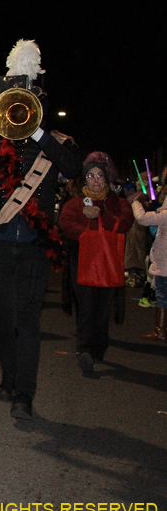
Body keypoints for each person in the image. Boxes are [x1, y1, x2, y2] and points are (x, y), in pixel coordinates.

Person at [0, 40, 81, 420]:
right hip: (0, 240)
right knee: (2, 317)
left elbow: (73, 168)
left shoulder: (54, 143)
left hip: (38, 242)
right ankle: (9, 377)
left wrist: (38, 133)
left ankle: (25, 392)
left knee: (28, 317)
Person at [59, 152, 133, 370]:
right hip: (83, 260)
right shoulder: (75, 202)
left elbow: (125, 223)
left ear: (106, 178)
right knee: (87, 306)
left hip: (108, 261)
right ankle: (84, 349)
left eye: (99, 175)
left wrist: (101, 214)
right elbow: (65, 221)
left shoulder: (117, 202)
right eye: (90, 176)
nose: (96, 180)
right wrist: (86, 234)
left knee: (103, 308)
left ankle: (99, 348)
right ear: (84, 179)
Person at [130, 180, 167, 342]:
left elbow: (142, 218)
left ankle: (160, 330)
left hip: (165, 263)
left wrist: (136, 202)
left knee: (162, 296)